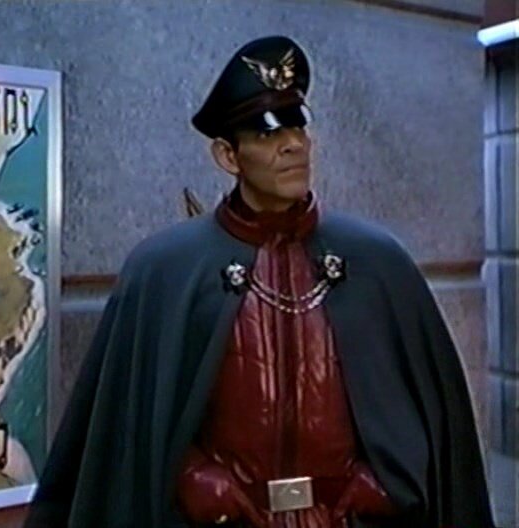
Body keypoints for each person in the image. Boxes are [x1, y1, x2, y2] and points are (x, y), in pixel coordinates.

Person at [25, 36, 495, 528]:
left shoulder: (378, 262)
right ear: (228, 156)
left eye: (298, 126)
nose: (294, 144)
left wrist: (385, 481)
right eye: (268, 133)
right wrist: (190, 476)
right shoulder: (164, 270)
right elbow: (131, 425)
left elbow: (429, 417)